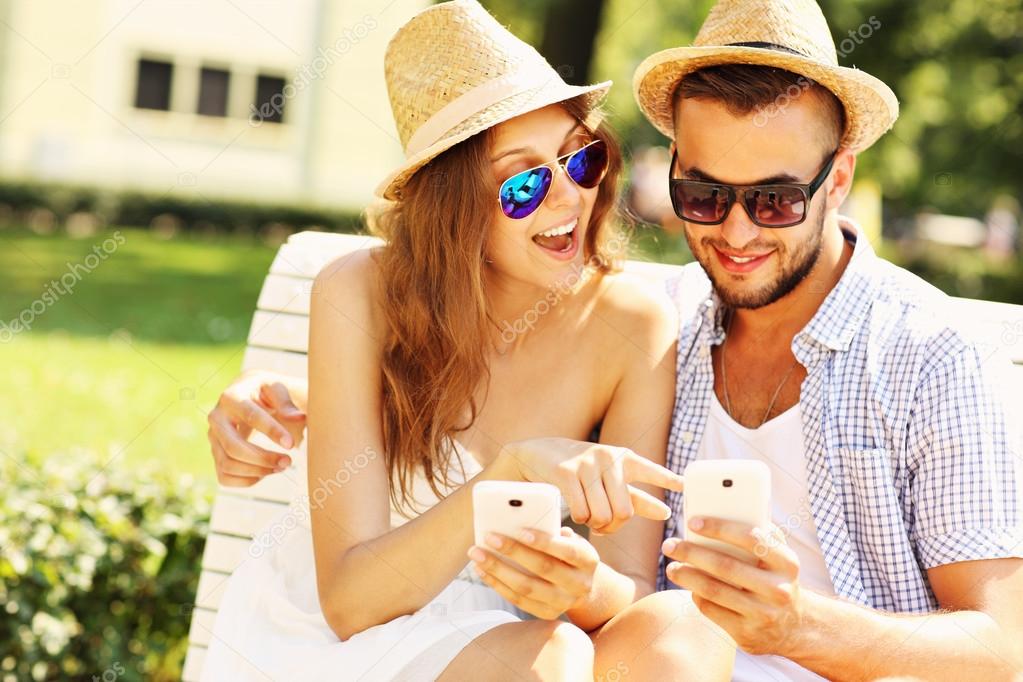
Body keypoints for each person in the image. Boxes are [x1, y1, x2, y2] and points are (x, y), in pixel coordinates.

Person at [211, 0, 1023, 679]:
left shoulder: (926, 354)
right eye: (703, 194)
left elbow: (1005, 649)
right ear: (670, 168)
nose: (735, 233)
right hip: (603, 653)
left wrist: (792, 625)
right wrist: (294, 406)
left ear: (836, 179)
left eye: (774, 200)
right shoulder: (674, 311)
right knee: (658, 631)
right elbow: (463, 403)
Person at [201, 1, 734, 680]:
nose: (567, 197)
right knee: (554, 656)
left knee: (676, 630)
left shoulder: (630, 324)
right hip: (343, 637)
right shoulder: (358, 292)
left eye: (580, 159)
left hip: (511, 633)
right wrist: (508, 474)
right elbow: (350, 603)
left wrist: (579, 588)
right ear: (450, 205)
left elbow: (629, 581)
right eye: (523, 184)